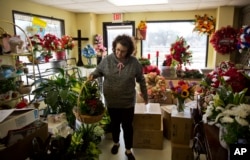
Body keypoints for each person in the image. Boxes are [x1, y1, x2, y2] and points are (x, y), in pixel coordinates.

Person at [88, 34, 148, 160]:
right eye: (117, 50)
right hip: (111, 101)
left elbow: (141, 79)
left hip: (127, 102)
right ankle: (116, 143)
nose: (119, 53)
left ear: (129, 51)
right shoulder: (107, 60)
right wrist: (92, 75)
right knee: (115, 124)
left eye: (123, 51)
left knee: (127, 126)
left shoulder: (134, 62)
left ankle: (128, 150)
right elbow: (98, 70)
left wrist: (145, 94)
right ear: (114, 47)